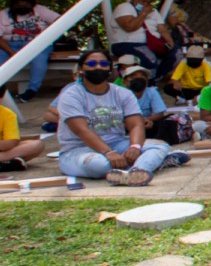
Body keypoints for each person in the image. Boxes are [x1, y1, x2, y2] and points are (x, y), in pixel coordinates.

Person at [55, 48, 182, 185]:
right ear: (81, 69)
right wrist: (109, 153)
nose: (98, 67)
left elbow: (136, 124)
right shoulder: (71, 95)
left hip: (117, 143)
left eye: (104, 64)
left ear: (110, 69)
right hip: (79, 150)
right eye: (92, 64)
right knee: (99, 165)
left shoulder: (122, 93)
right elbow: (82, 130)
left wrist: (135, 147)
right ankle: (152, 162)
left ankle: (137, 172)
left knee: (160, 146)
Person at [0, 0, 58, 101]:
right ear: (12, 5)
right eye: (18, 4)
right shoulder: (2, 15)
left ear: (32, 4)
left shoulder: (40, 10)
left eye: (26, 4)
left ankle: (32, 90)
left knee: (39, 59)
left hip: (37, 45)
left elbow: (59, 20)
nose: (22, 7)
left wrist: (47, 35)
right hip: (9, 45)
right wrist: (10, 52)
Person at [106, 0, 163, 72]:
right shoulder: (124, 7)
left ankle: (157, 78)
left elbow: (163, 29)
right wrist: (144, 13)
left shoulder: (152, 12)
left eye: (148, 3)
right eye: (143, 1)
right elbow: (130, 27)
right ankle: (147, 82)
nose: (145, 4)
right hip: (126, 43)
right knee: (150, 60)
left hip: (147, 43)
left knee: (174, 54)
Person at [116, 56, 168, 121]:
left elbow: (159, 113)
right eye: (133, 77)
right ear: (124, 82)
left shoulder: (151, 92)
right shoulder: (120, 95)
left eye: (143, 77)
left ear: (147, 81)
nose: (138, 79)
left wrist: (146, 120)